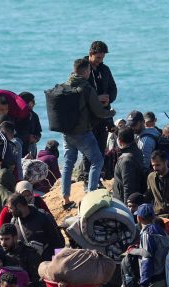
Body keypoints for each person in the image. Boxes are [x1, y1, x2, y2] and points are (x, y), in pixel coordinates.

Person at [59, 58, 113, 208]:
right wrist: (111, 112)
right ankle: (91, 194)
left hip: (66, 132)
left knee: (68, 163)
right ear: (85, 72)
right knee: (97, 160)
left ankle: (66, 199)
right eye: (89, 70)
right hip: (82, 133)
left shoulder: (65, 85)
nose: (90, 72)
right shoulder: (86, 87)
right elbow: (99, 112)